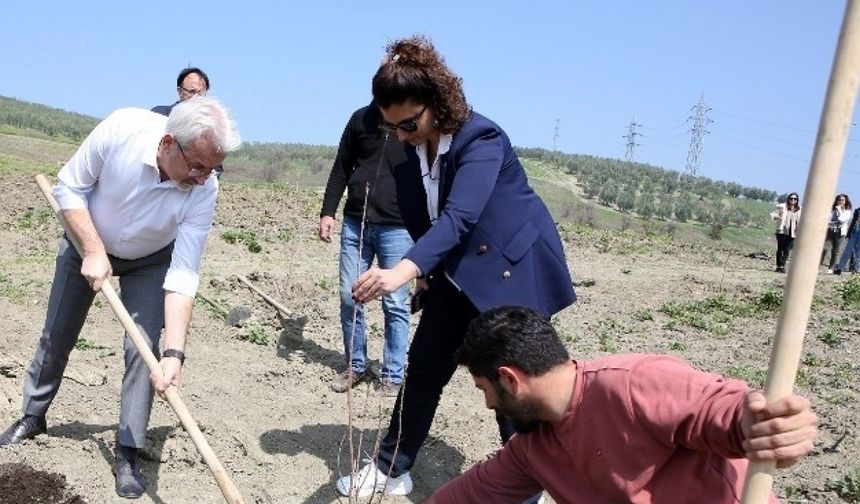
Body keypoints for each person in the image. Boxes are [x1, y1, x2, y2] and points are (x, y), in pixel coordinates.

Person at [336, 35, 576, 497]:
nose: (402, 136)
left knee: (512, 384)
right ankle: (391, 467)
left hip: (510, 271)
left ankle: (535, 482)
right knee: (424, 368)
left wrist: (401, 271)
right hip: (454, 271)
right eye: (393, 128)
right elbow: (423, 218)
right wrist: (425, 270)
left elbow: (461, 216)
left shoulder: (480, 138)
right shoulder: (410, 148)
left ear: (436, 102)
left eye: (409, 123)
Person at [0, 97, 240, 499]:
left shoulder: (204, 189)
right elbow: (69, 188)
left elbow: (183, 273)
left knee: (143, 347)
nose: (203, 177)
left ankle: (128, 450)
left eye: (212, 168)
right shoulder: (121, 130)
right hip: (85, 242)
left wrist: (174, 353)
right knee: (57, 333)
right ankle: (33, 415)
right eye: (197, 165)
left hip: (150, 260)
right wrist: (93, 250)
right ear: (168, 143)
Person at [420, 306, 818, 504]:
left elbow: (722, 409)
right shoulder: (533, 449)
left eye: (483, 389)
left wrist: (762, 423)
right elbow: (469, 495)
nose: (490, 405)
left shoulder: (630, 384)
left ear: (510, 379)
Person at [319, 103, 413, 397]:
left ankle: (393, 373)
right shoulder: (361, 119)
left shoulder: (413, 124)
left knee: (395, 303)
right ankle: (355, 365)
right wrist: (328, 211)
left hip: (398, 227)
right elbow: (342, 165)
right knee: (351, 297)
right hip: (355, 221)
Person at [152, 67, 223, 178]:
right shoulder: (159, 115)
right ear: (179, 91)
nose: (196, 97)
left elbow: (216, 166)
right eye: (192, 92)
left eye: (200, 94)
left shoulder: (210, 126)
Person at [771, 192, 801, 273]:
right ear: (788, 199)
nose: (793, 200)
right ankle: (778, 266)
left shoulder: (798, 209)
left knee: (787, 249)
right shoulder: (783, 207)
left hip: (792, 232)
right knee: (780, 249)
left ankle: (782, 265)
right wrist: (777, 216)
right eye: (791, 198)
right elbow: (773, 214)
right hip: (782, 231)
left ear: (797, 200)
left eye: (795, 199)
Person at [825, 193, 852, 273]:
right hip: (831, 230)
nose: (841, 201)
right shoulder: (833, 210)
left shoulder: (847, 211)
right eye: (839, 200)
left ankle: (831, 267)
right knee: (824, 248)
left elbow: (841, 220)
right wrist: (833, 222)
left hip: (840, 232)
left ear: (846, 201)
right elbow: (828, 220)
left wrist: (839, 210)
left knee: (835, 250)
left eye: (843, 200)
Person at [835, 205, 860, 275]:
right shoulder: (857, 210)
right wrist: (849, 233)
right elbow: (853, 222)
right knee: (847, 251)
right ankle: (840, 268)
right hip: (855, 230)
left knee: (858, 253)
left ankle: (856, 270)